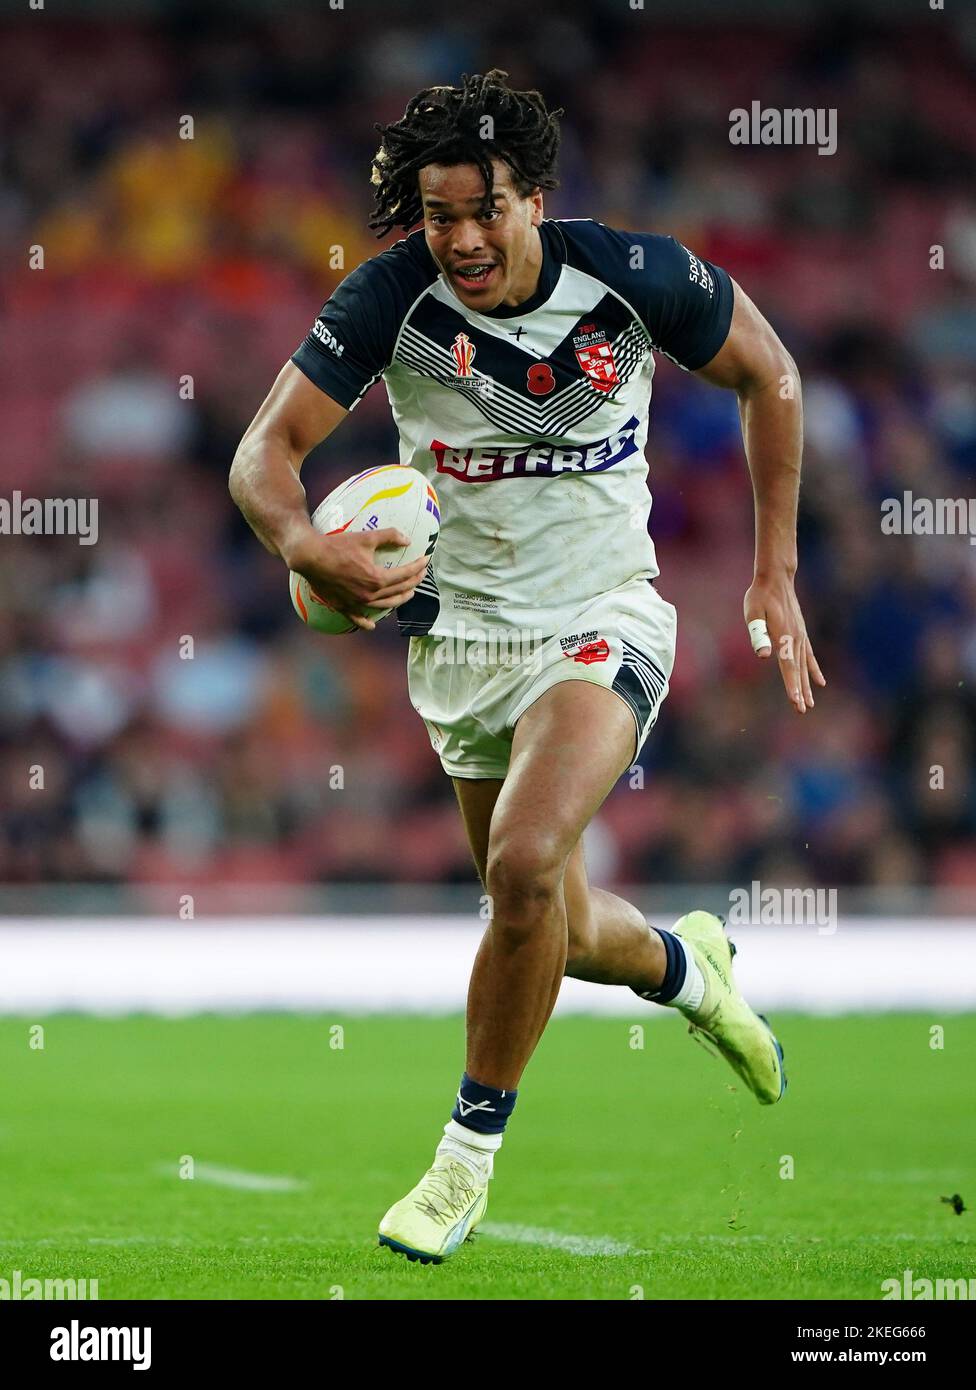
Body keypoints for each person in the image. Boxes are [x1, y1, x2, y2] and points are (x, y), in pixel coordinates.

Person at [229, 69, 825, 1265]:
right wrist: (304, 545)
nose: (457, 238)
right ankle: (685, 968)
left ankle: (462, 1161)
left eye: (480, 210)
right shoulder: (392, 297)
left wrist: (773, 572)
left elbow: (772, 375)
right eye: (437, 215)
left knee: (522, 858)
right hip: (461, 643)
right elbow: (263, 454)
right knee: (543, 912)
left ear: (533, 198)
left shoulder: (633, 274)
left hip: (604, 619)